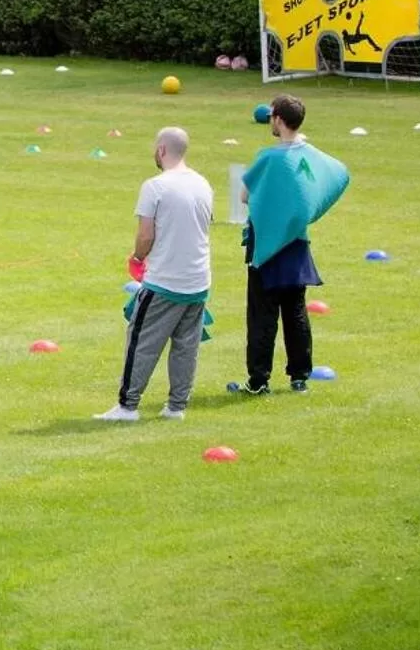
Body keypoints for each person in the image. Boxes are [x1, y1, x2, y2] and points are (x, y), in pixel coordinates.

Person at [230, 94, 349, 397]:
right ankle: (299, 377)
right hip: (296, 242)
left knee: (262, 314)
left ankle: (258, 381)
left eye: (271, 116)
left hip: (266, 244)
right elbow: (338, 173)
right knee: (295, 311)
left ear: (279, 120)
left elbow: (243, 197)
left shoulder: (270, 158)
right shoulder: (308, 156)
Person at [96, 128, 214, 422]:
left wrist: (137, 257)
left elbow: (145, 235)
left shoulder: (155, 187)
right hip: (198, 279)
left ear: (161, 150)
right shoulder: (203, 184)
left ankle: (127, 406)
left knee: (141, 341)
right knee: (186, 346)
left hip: (165, 281)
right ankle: (176, 406)